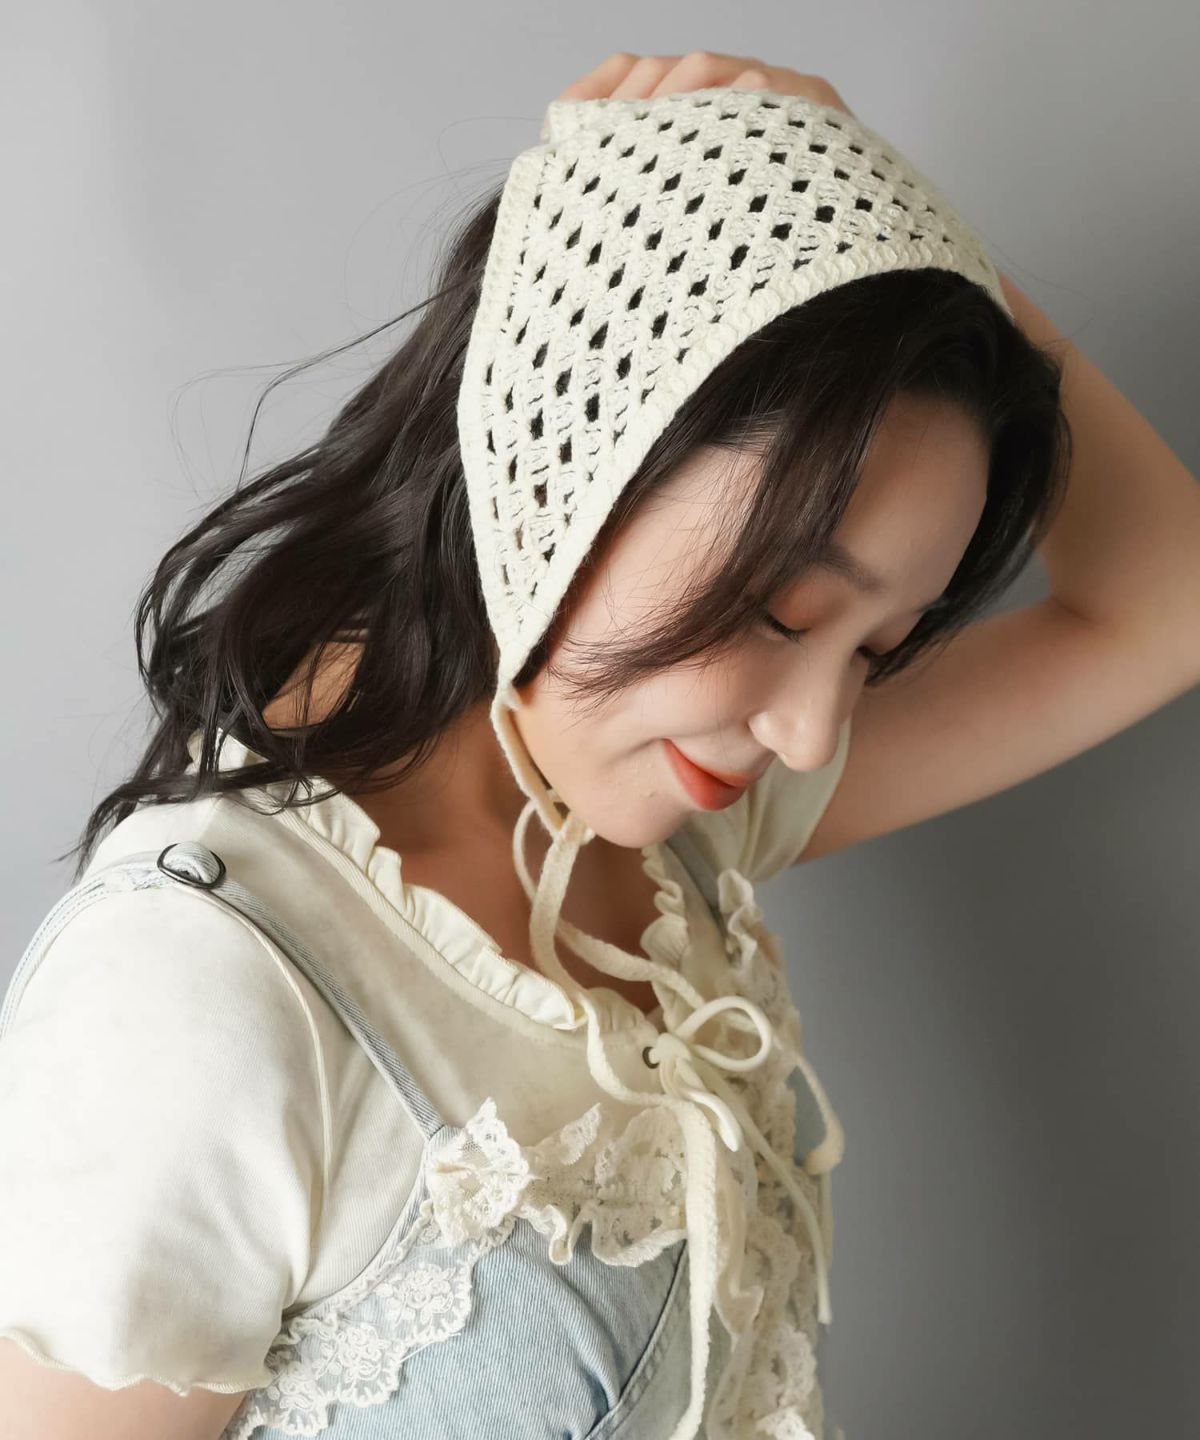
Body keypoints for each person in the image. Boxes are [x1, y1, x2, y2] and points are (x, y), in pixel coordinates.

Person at [3, 51, 1198, 1440]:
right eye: (781, 609)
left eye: (875, 650)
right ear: (564, 448)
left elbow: (1162, 609)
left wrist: (896, 233)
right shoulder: (201, 990)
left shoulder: (662, 806)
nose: (812, 727)